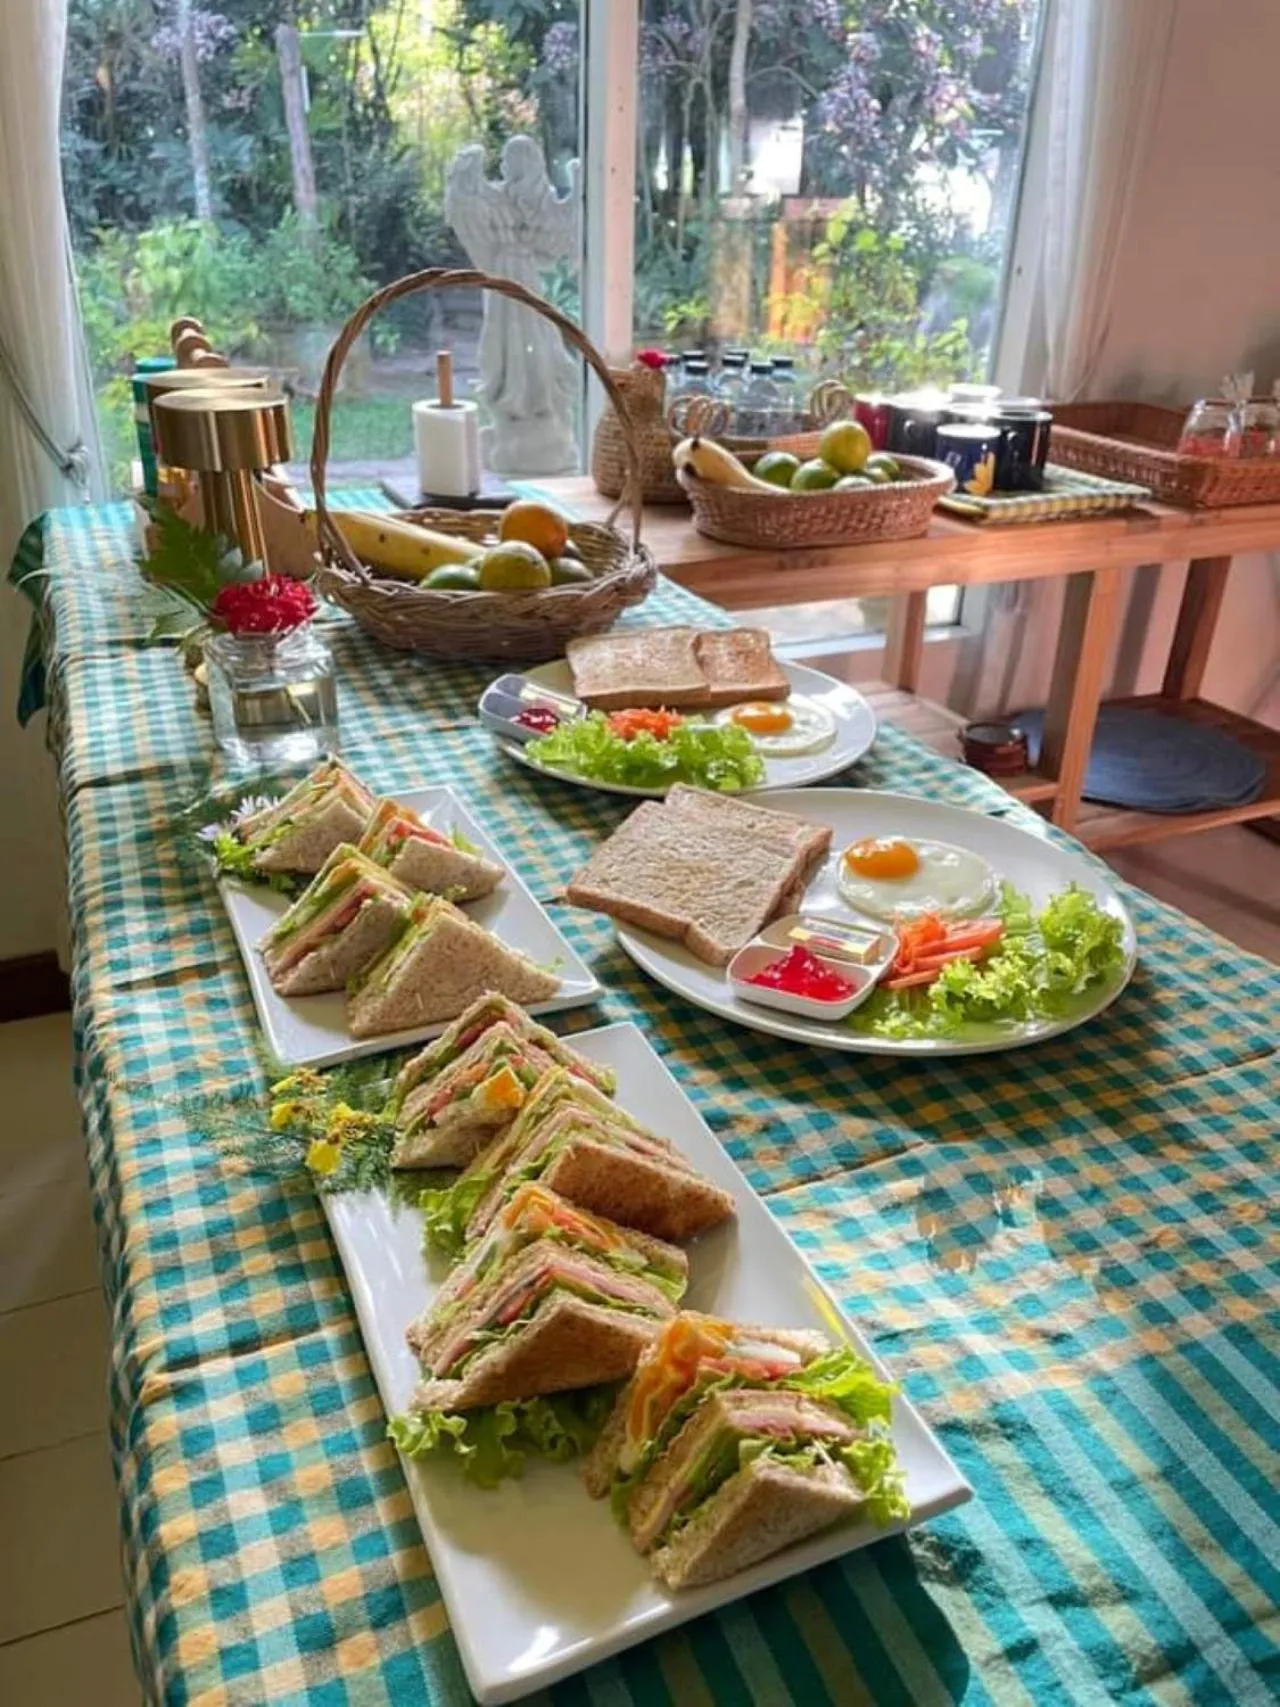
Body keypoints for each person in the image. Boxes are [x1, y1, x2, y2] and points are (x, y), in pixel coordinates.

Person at [444, 137, 580, 474]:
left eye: (509, 159)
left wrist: (578, 190)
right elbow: (465, 209)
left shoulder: (540, 200)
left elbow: (554, 245)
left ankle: (540, 403)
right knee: (503, 342)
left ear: (524, 161)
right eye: (502, 160)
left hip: (526, 277)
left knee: (540, 338)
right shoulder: (493, 197)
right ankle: (512, 402)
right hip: (502, 278)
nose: (503, 166)